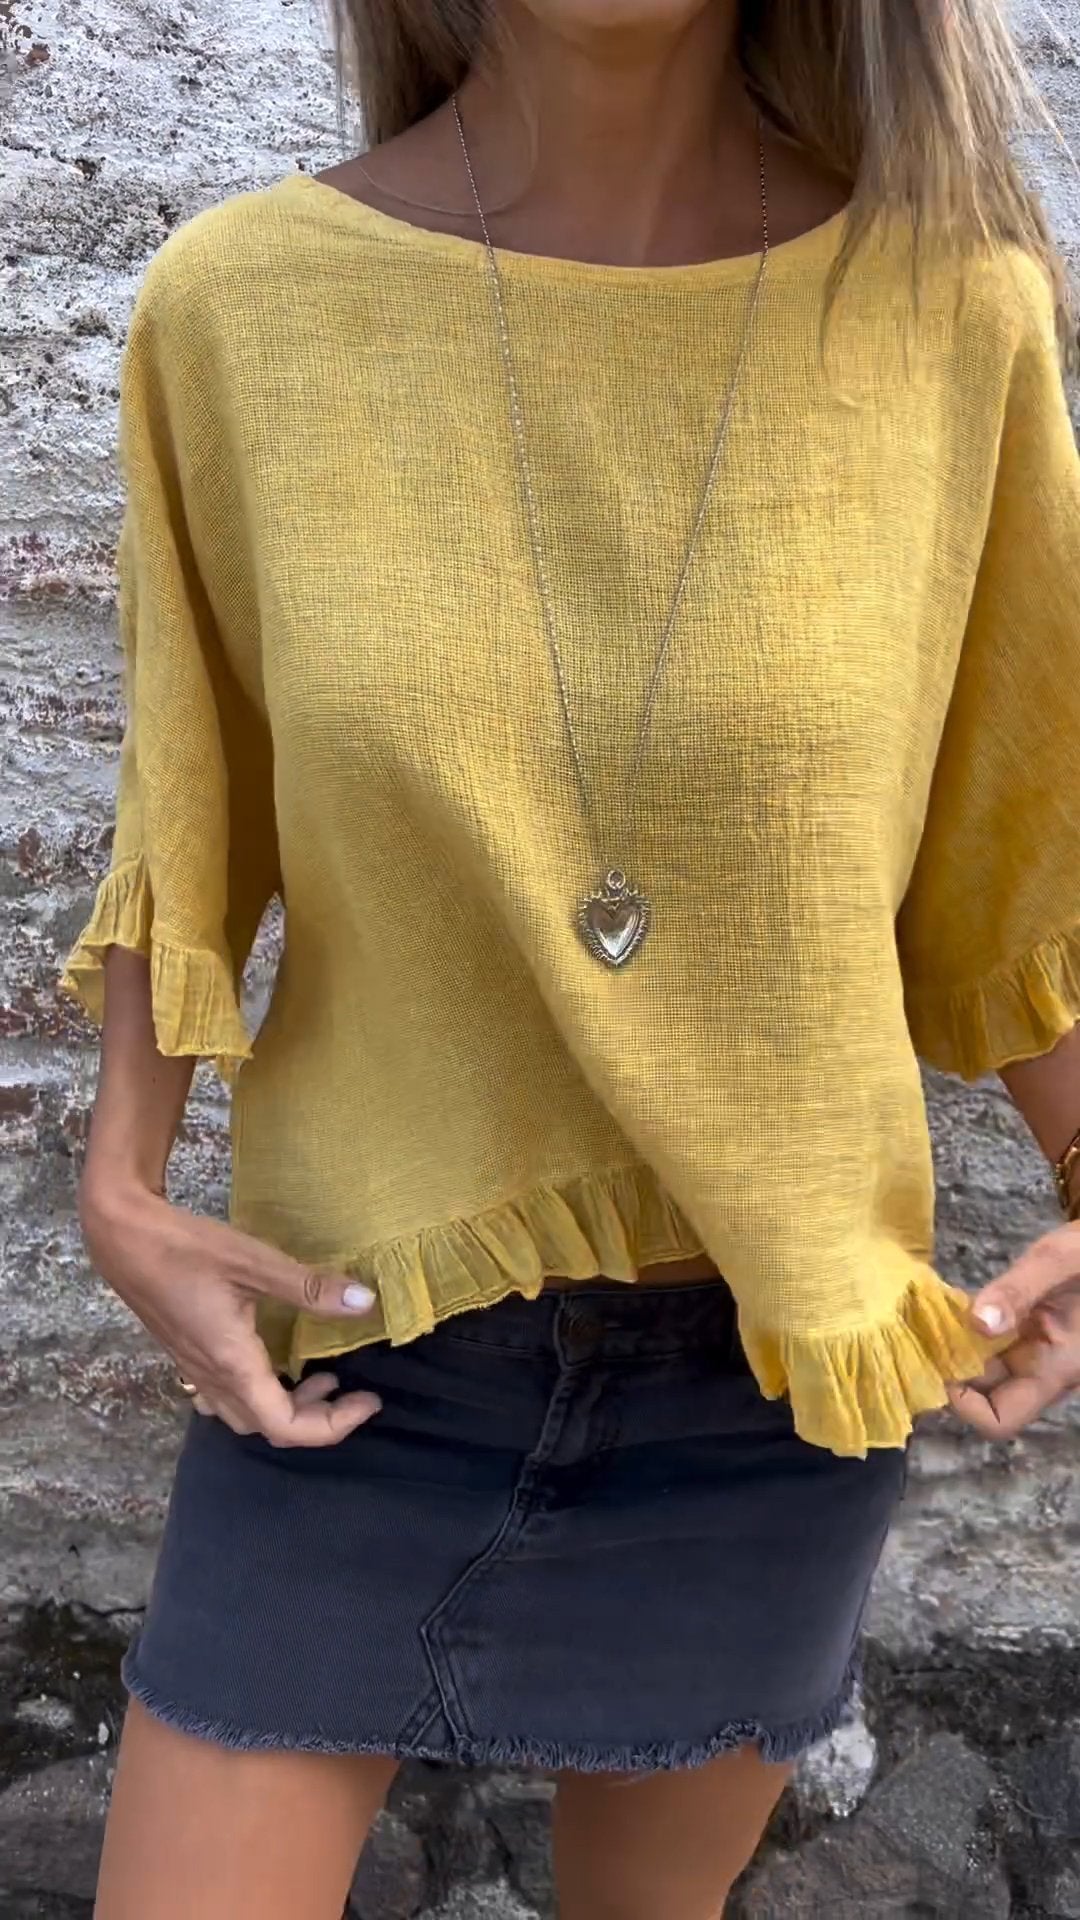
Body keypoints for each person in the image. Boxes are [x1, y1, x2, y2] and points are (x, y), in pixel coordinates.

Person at [63, 0, 1080, 1914]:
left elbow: (1010, 853)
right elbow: (188, 799)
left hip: (768, 1367)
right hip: (371, 1342)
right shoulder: (246, 308)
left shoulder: (955, 313)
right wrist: (121, 1183)